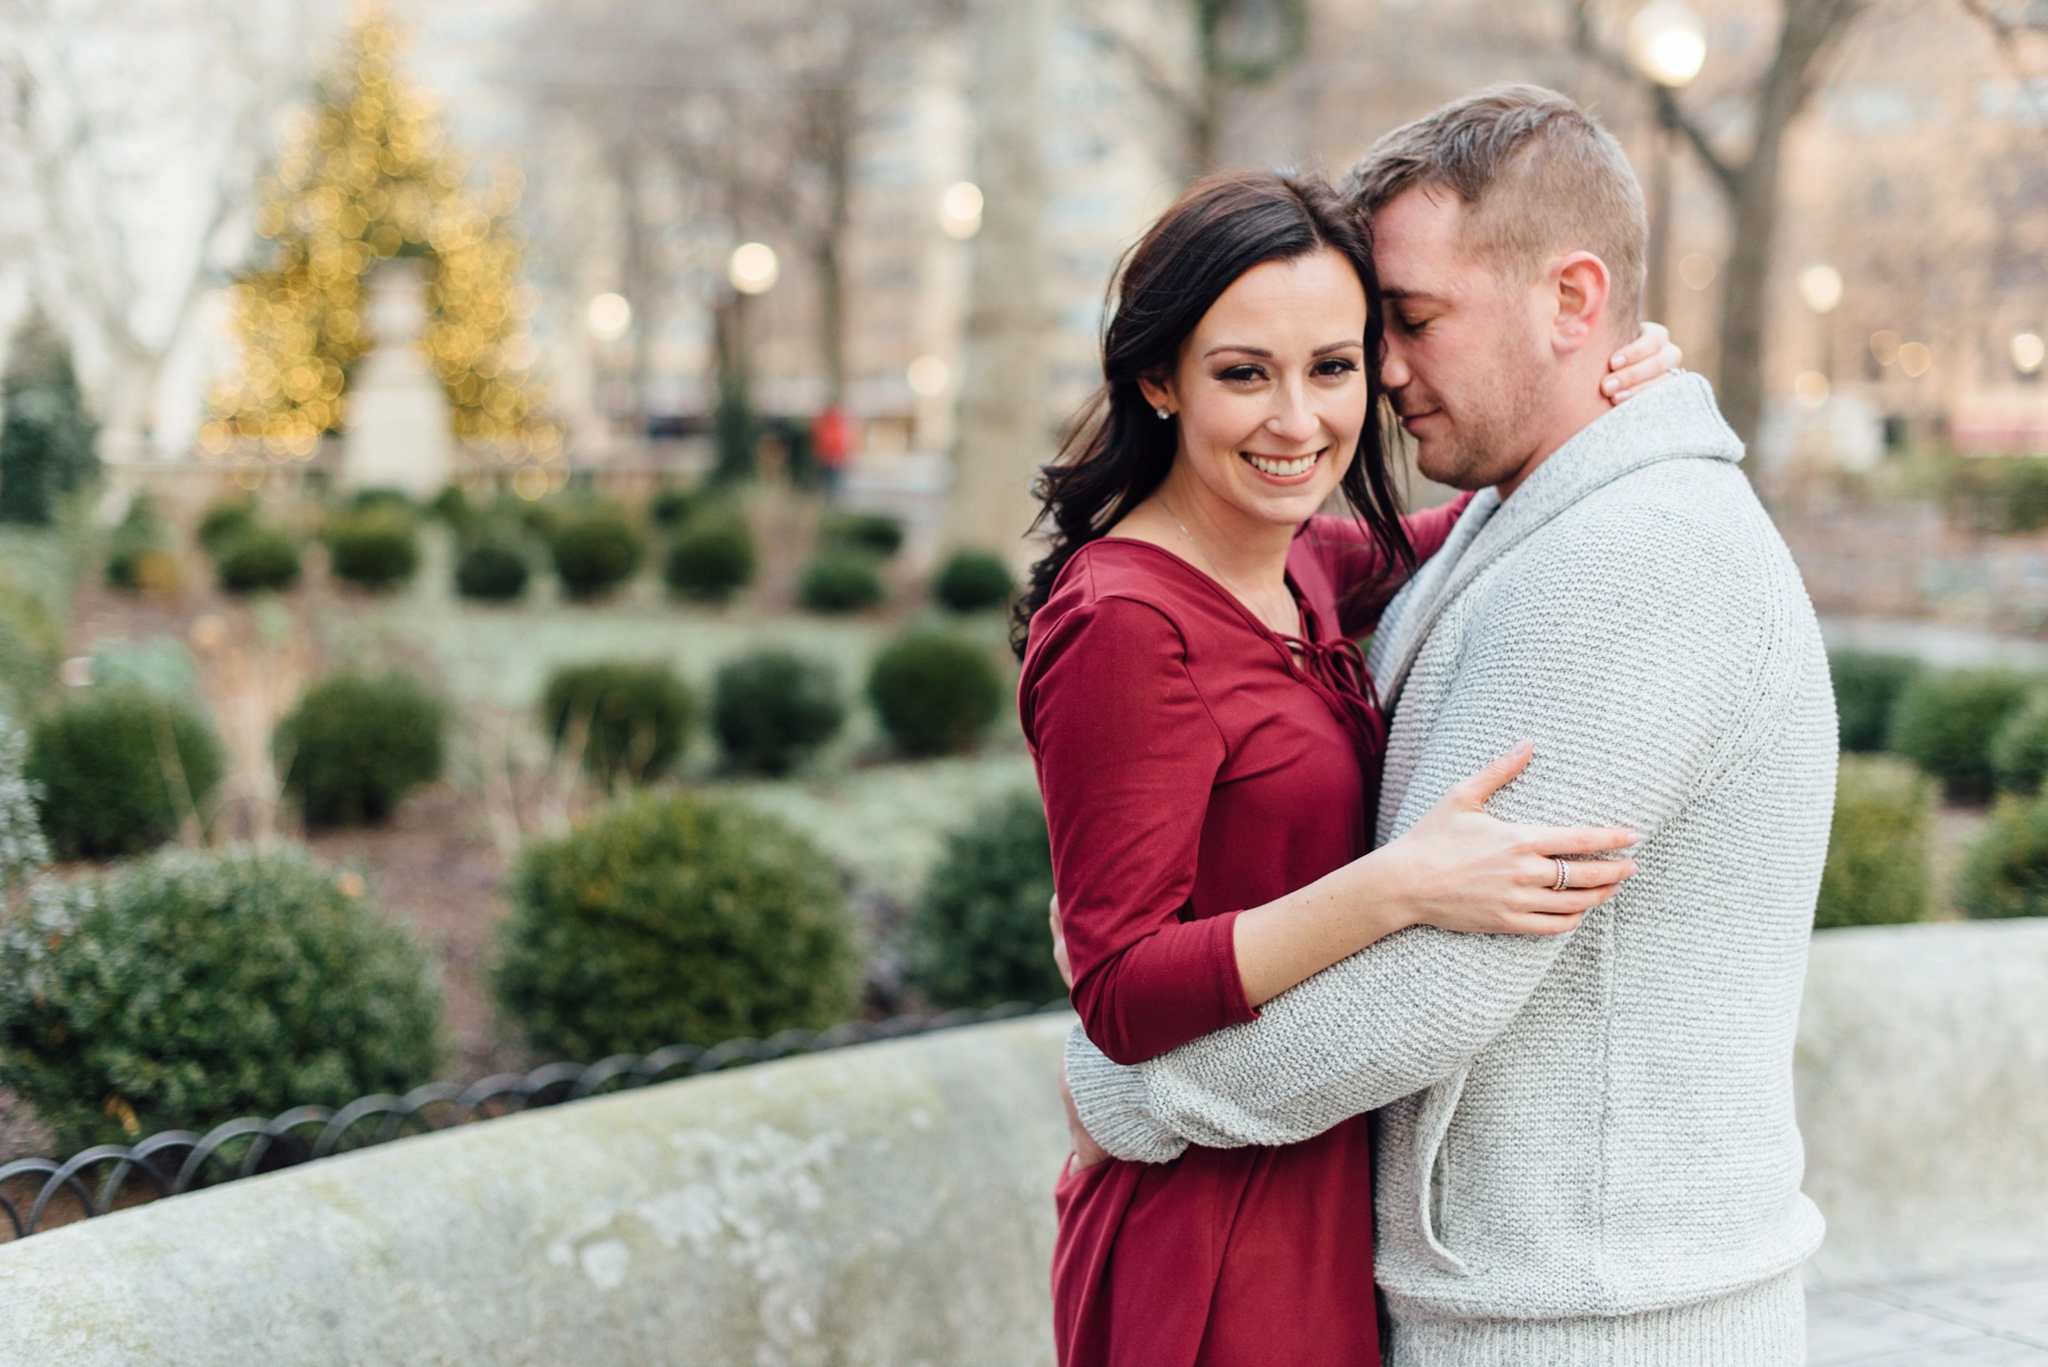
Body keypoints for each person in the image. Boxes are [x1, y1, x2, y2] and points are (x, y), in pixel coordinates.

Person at [1060, 86, 1836, 1366]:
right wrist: (1647, 400)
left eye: (1405, 324)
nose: (1382, 376)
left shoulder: (1629, 561)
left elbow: (1428, 986)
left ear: (1573, 301)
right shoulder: (1524, 509)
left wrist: (1122, 1093)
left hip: (1593, 1322)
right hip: (1537, 1296)